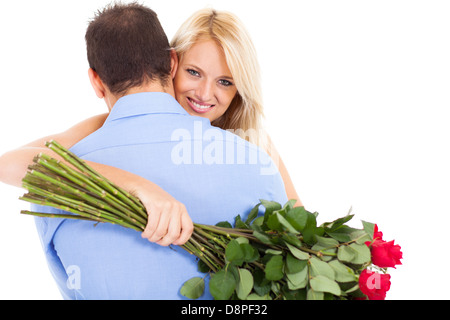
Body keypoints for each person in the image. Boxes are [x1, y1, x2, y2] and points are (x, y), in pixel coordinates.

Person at [0, 3, 289, 299]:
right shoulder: (255, 162)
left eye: (224, 82)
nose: (203, 94)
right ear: (173, 64)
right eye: (194, 73)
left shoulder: (59, 180)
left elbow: (297, 248)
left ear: (96, 82)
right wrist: (141, 188)